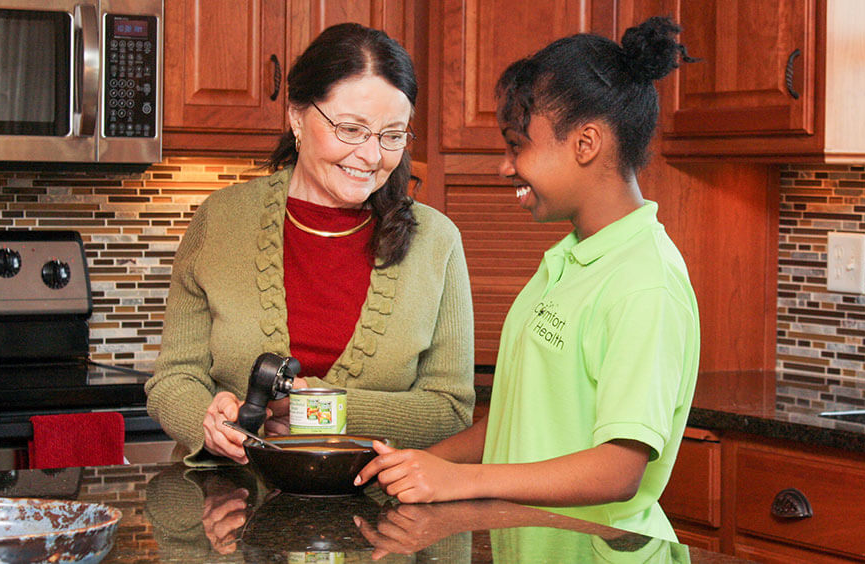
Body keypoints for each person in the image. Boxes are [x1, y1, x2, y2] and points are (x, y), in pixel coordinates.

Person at [355, 16, 700, 542]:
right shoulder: (568, 261)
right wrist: (417, 463)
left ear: (586, 143)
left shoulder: (644, 281)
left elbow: (619, 470)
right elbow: (521, 420)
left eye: (518, 145)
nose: (504, 167)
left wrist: (461, 481)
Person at [145, 23, 475, 467]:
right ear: (297, 116)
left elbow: (451, 412)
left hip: (383, 513)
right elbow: (173, 379)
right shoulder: (220, 220)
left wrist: (319, 411)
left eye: (392, 135)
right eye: (351, 129)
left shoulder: (437, 241)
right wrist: (204, 420)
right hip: (228, 507)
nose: (372, 156)